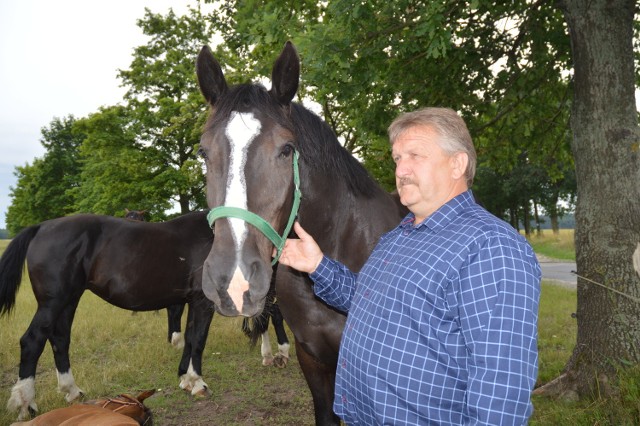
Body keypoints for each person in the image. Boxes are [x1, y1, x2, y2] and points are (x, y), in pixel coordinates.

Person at [278, 107, 541, 425]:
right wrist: (317, 265)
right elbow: (367, 300)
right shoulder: (400, 235)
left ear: (457, 164)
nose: (401, 170)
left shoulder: (490, 246)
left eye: (415, 155)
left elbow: (501, 392)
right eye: (397, 158)